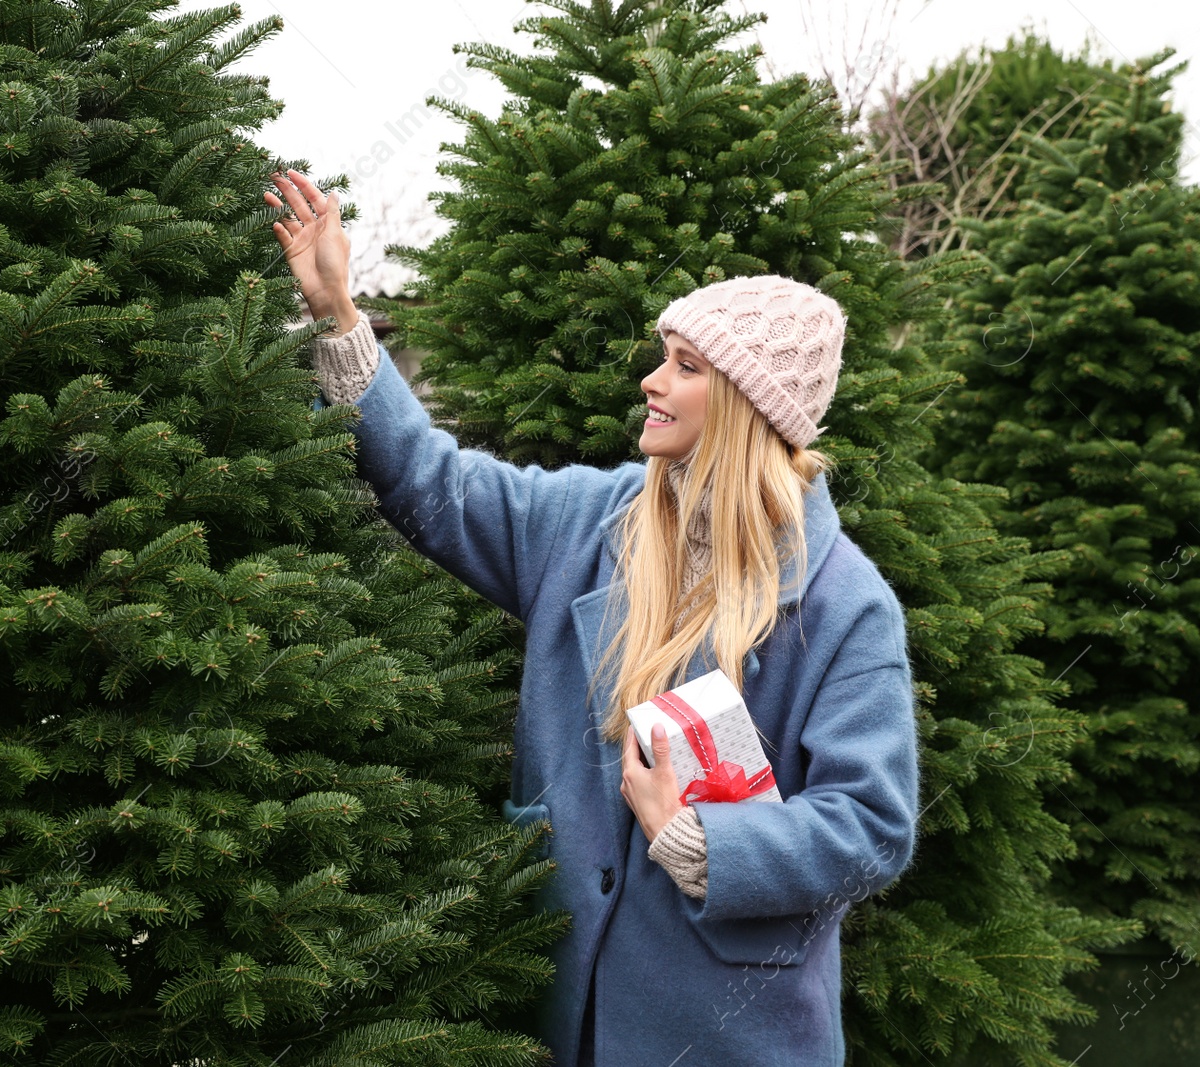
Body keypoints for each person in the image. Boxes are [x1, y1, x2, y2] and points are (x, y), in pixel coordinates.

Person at [264, 169, 919, 1067]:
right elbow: (434, 485)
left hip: (733, 1035)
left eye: (687, 368)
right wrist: (338, 312)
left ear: (744, 407)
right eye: (665, 356)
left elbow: (873, 825)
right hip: (558, 1015)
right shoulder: (585, 519)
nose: (654, 381)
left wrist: (704, 845)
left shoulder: (847, 604)